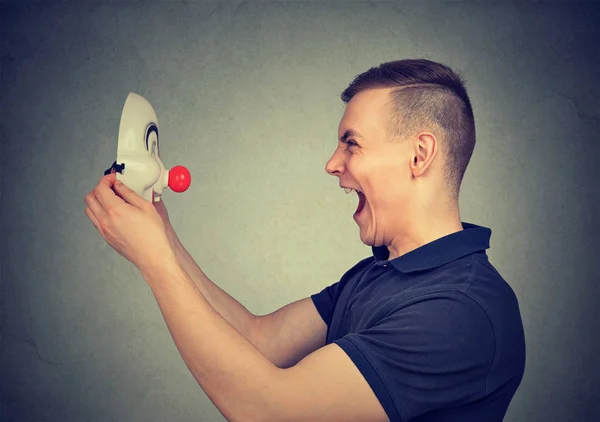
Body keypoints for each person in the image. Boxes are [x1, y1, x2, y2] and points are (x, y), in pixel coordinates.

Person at [85, 59, 526, 421]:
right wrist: (161, 232)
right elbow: (263, 341)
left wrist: (153, 261)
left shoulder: (461, 312)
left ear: (419, 154)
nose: (332, 163)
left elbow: (271, 410)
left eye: (351, 144)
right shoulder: (380, 272)